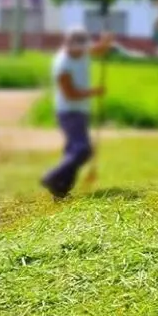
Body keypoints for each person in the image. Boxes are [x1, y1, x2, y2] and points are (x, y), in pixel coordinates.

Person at [41, 27, 112, 199]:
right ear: (68, 45)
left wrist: (106, 41)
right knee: (82, 150)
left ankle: (60, 190)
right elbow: (70, 94)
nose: (81, 51)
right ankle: (52, 177)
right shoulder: (62, 64)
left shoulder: (83, 52)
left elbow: (98, 50)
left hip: (81, 111)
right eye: (78, 48)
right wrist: (94, 92)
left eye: (83, 48)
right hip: (68, 111)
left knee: (73, 151)